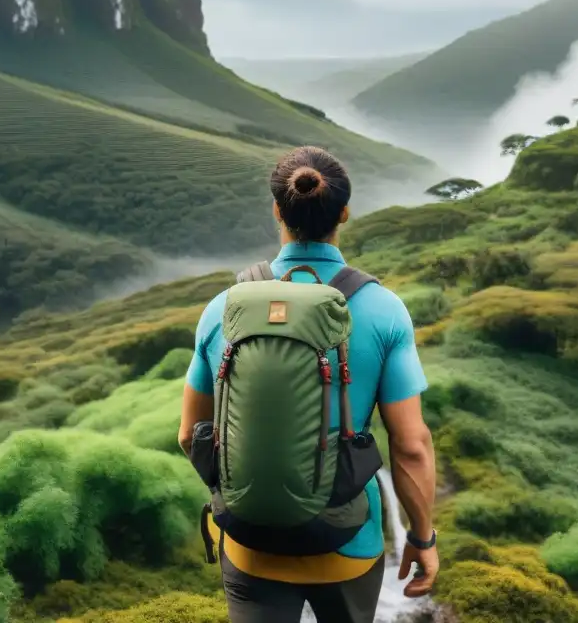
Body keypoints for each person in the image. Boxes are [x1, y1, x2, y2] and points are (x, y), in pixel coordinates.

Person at [179, 145, 439, 623]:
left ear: (277, 210)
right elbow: (411, 447)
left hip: (249, 541)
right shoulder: (384, 310)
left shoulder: (223, 310)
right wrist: (422, 539)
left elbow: (187, 434)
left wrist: (256, 493)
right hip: (344, 541)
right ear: (344, 213)